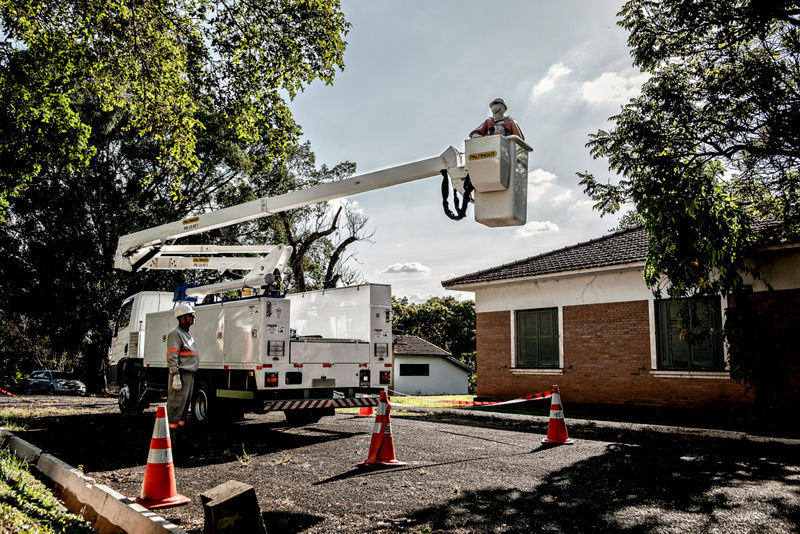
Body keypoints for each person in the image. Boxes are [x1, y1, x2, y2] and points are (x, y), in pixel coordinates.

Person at [166, 302, 199, 430]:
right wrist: (175, 375)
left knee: (184, 408)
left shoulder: (187, 334)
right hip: (181, 376)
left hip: (189, 376)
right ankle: (170, 437)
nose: (193, 318)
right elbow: (172, 356)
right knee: (176, 406)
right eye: (190, 315)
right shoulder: (175, 334)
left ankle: (179, 434)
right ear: (182, 318)